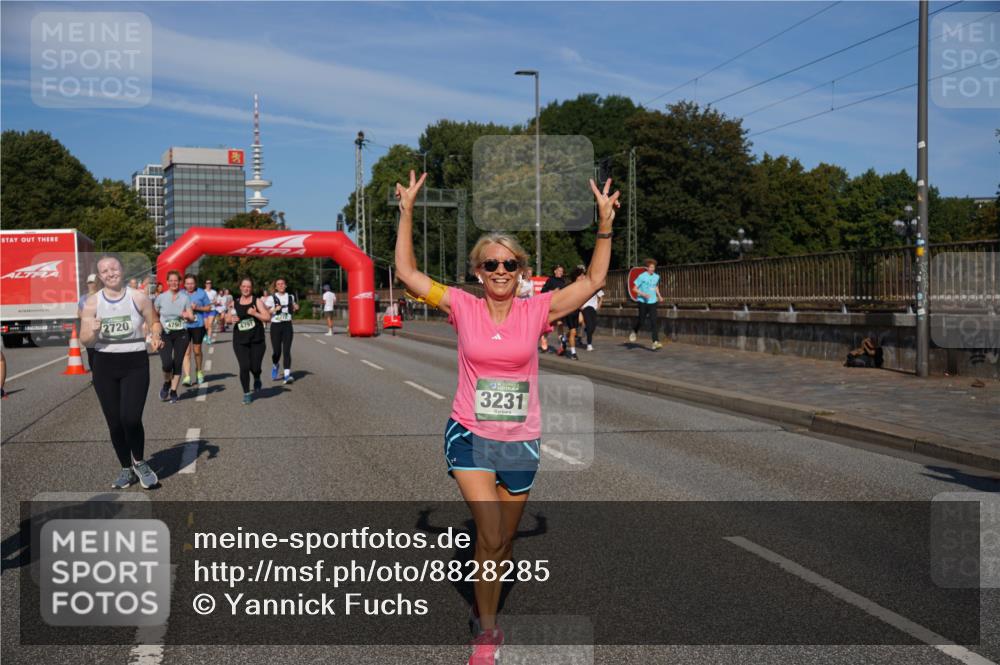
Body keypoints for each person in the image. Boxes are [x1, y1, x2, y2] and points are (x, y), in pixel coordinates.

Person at [393, 170, 619, 665]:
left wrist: (604, 225)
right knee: (491, 531)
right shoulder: (461, 307)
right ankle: (487, 631)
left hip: (521, 440)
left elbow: (595, 281)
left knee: (503, 542)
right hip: (470, 434)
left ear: (521, 271)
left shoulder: (537, 311)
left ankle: (484, 607)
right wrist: (407, 212)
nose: (500, 270)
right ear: (477, 270)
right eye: (491, 263)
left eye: (509, 264)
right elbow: (408, 275)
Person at [79, 254, 163, 490]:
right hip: (105, 364)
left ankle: (139, 461)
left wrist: (156, 336)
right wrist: (92, 332)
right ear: (100, 276)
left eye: (113, 268)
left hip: (135, 362)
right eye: (104, 271)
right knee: (115, 423)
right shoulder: (92, 302)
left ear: (122, 270)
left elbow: (154, 321)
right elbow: (85, 339)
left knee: (131, 418)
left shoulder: (138, 297)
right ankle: (126, 468)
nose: (109, 273)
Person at [153, 271, 195, 404]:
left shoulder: (185, 298)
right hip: (165, 333)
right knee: (166, 363)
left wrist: (188, 316)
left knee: (177, 362)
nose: (173, 283)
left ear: (180, 282)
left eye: (176, 280)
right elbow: (154, 316)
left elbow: (191, 316)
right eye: (171, 280)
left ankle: (173, 391)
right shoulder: (160, 298)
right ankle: (167, 383)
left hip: (181, 334)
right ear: (167, 282)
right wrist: (153, 333)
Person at [227, 277, 270, 405]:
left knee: (255, 367)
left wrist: (255, 313)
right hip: (240, 341)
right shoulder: (234, 302)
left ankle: (257, 376)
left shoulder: (257, 301)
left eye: (248, 287)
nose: (246, 289)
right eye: (244, 286)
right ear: (240, 287)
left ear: (251, 288)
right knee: (244, 367)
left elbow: (267, 317)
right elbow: (227, 318)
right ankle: (246, 393)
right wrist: (231, 320)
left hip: (257, 340)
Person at [181, 274, 212, 387]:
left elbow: (208, 307)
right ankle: (187, 376)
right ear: (184, 284)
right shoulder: (181, 293)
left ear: (195, 283)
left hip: (198, 325)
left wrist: (197, 308)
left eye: (192, 283)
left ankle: (199, 371)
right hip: (184, 326)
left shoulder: (201, 293)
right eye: (188, 283)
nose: (190, 286)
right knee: (186, 351)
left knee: (197, 350)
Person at [267, 278, 299, 384]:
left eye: (282, 284)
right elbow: (266, 311)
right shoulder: (271, 298)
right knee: (277, 352)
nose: (281, 286)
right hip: (276, 326)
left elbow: (293, 307)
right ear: (276, 287)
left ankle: (286, 375)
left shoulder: (290, 297)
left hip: (287, 325)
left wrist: (295, 307)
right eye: (278, 284)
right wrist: (273, 310)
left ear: (285, 285)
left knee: (286, 351)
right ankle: (275, 364)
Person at [629, 258, 663, 350]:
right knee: (641, 320)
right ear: (647, 268)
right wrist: (643, 294)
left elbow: (655, 287)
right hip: (642, 302)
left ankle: (655, 342)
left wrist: (659, 296)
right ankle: (634, 331)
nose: (652, 269)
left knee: (654, 321)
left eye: (653, 267)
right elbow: (634, 289)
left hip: (653, 301)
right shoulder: (642, 276)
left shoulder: (656, 276)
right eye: (651, 267)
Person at [539, 265, 565, 353]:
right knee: (550, 325)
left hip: (560, 305)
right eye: (559, 271)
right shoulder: (550, 280)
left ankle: (562, 344)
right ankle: (544, 340)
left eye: (562, 271)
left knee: (560, 324)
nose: (561, 272)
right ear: (555, 271)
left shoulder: (563, 281)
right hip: (551, 305)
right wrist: (553, 292)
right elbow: (543, 291)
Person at [77, 274, 101, 372]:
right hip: (89, 331)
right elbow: (79, 313)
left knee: (102, 354)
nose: (91, 285)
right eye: (89, 283)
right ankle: (95, 375)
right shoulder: (83, 298)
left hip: (101, 330)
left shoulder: (101, 296)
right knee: (91, 354)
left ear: (97, 283)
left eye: (93, 282)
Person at [581, 277, 604, 351]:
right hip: (585, 308)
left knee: (593, 326)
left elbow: (601, 296)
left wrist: (599, 305)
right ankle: (589, 345)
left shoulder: (595, 286)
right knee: (590, 325)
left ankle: (586, 330)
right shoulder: (582, 287)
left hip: (593, 308)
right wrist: (581, 306)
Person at [203, 279, 218, 345]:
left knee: (210, 324)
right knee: (205, 326)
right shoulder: (203, 292)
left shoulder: (214, 292)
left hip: (212, 309)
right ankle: (205, 335)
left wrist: (211, 303)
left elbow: (216, 301)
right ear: (205, 284)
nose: (208, 284)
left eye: (210, 283)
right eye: (207, 283)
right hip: (205, 310)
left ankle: (209, 338)